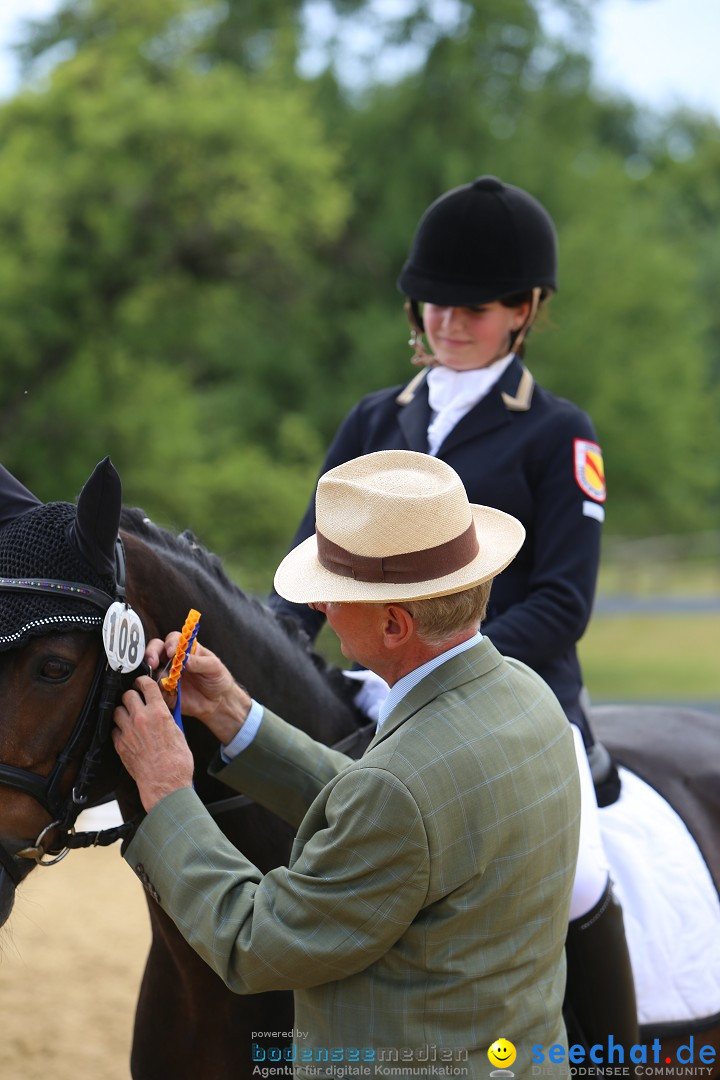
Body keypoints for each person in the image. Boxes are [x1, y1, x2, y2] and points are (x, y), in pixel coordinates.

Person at [268, 176, 639, 1051]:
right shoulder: (374, 420)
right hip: (371, 691)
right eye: (435, 301)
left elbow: (561, 601)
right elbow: (305, 583)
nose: (447, 321)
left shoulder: (559, 434)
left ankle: (609, 1054)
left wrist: (432, 674)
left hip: (520, 705)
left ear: (524, 309)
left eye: (474, 307)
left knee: (581, 877)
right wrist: (273, 661)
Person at [113, 449, 581, 1079]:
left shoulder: (398, 792)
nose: (318, 609)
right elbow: (408, 821)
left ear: (394, 624)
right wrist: (235, 715)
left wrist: (169, 793)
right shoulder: (526, 694)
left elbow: (256, 944)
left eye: (335, 595)